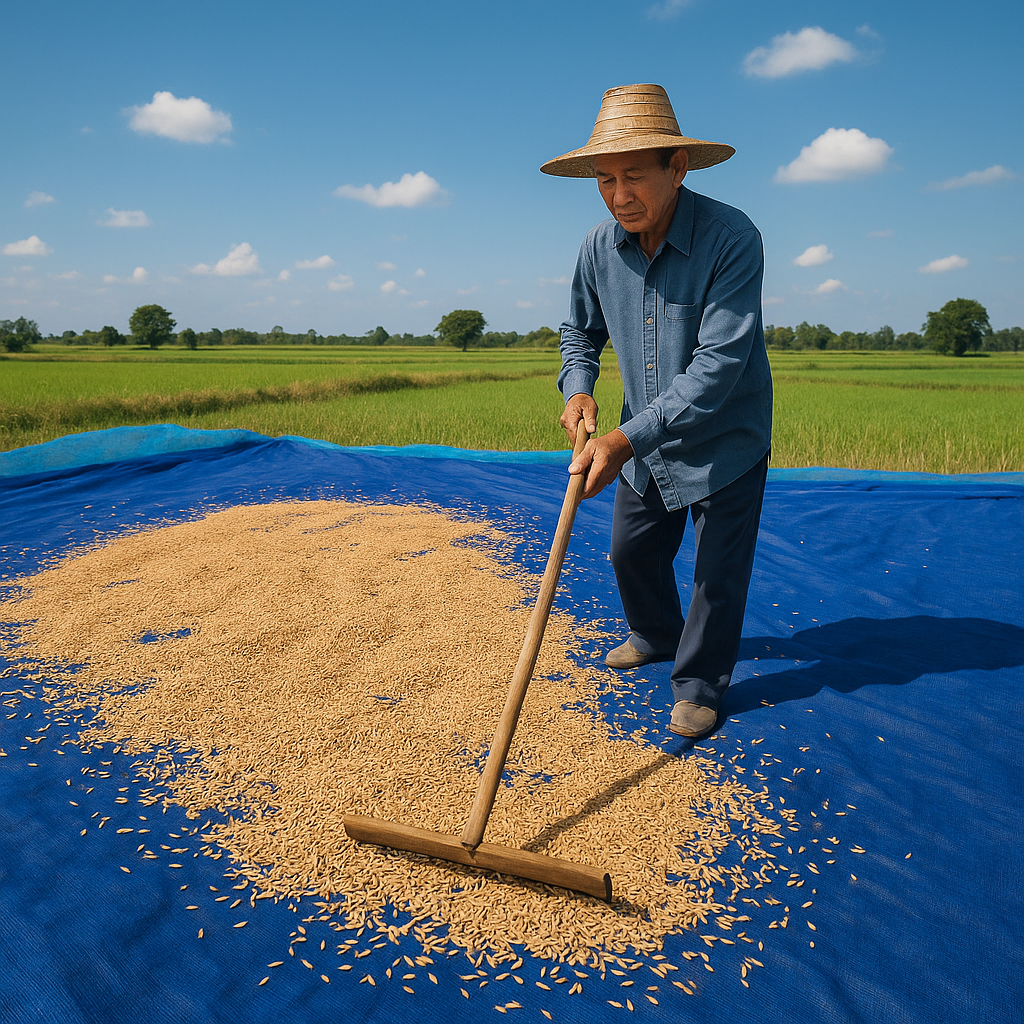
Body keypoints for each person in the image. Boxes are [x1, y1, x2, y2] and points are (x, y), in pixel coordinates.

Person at [541, 83, 773, 740]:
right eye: (605, 179)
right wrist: (578, 387)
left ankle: (699, 682)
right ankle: (653, 632)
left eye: (634, 176)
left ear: (678, 167)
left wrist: (621, 441)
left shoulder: (731, 239)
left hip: (724, 436)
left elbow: (719, 366)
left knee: (714, 576)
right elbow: (578, 333)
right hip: (641, 437)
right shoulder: (597, 248)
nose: (619, 196)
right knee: (630, 552)